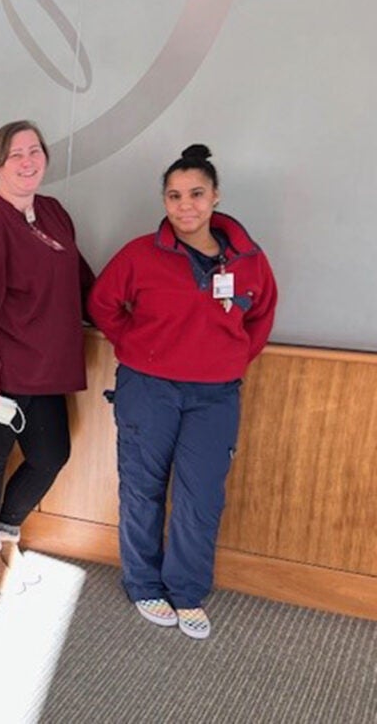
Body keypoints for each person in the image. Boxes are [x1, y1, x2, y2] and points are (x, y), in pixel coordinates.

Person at [87, 144, 277, 639]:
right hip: (148, 390)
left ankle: (187, 591)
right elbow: (103, 304)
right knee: (142, 488)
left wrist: (228, 360)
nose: (185, 205)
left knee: (201, 497)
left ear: (215, 197)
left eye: (196, 193)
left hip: (215, 396)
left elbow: (259, 319)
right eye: (174, 195)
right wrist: (136, 346)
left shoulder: (249, 262)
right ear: (164, 201)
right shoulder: (139, 255)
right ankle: (144, 583)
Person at [0, 120, 94, 591]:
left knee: (51, 454)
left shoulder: (52, 211)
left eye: (35, 151)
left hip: (42, 366)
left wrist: (115, 311)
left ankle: (7, 532)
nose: (28, 162)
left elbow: (77, 275)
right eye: (15, 155)